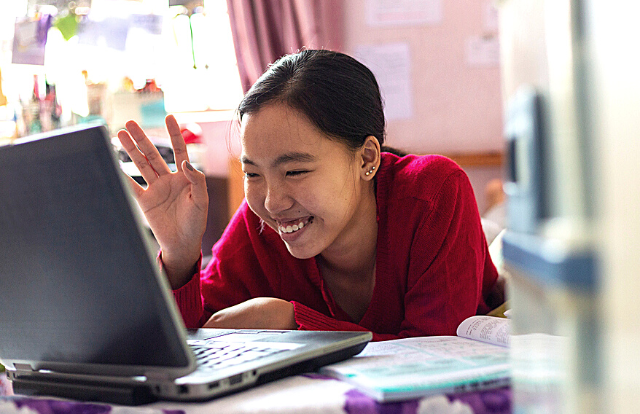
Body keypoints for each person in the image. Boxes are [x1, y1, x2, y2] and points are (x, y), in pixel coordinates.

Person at [118, 49, 504, 341]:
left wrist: (295, 323)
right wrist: (181, 257)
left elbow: (437, 354)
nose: (272, 202)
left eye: (295, 171)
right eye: (253, 172)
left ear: (367, 158)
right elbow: (189, 341)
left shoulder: (433, 193)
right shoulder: (260, 226)